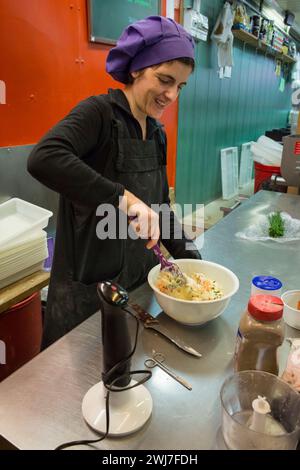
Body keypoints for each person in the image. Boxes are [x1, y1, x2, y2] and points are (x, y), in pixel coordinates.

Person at [28, 16, 201, 348]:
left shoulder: (156, 133)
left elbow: (161, 210)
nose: (171, 95)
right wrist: (124, 198)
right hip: (86, 298)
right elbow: (43, 158)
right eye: (164, 80)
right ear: (137, 69)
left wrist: (196, 264)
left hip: (139, 287)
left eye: (179, 86)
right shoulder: (98, 114)